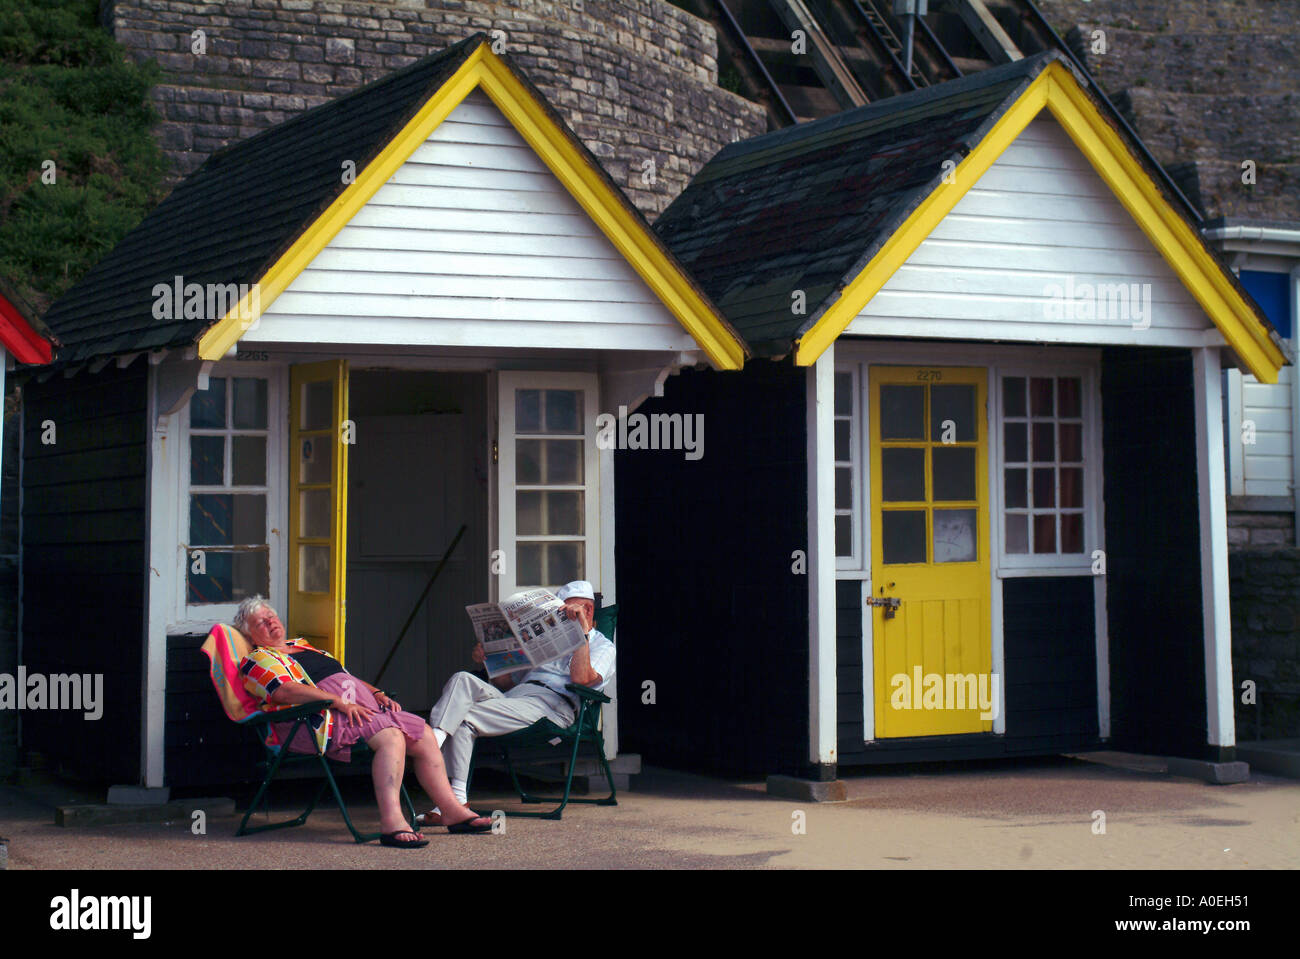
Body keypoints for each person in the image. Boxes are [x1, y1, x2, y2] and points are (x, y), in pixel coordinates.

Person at [233, 596, 492, 846]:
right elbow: (284, 691)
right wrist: (338, 701)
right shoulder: (257, 659)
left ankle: (451, 811)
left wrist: (376, 693)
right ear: (250, 636)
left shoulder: (304, 646)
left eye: (271, 616)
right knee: (391, 736)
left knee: (422, 733)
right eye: (260, 623)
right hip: (315, 721)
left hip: (356, 709)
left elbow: (345, 676)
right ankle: (392, 822)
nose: (270, 622)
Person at [421, 580, 615, 824]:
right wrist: (489, 657)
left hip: (551, 705)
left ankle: (453, 799)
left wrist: (581, 633)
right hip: (517, 698)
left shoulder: (602, 646)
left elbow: (581, 678)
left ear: (587, 611)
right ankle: (436, 739)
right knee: (462, 679)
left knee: (465, 719)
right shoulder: (546, 639)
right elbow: (507, 685)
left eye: (568, 613)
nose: (562, 619)